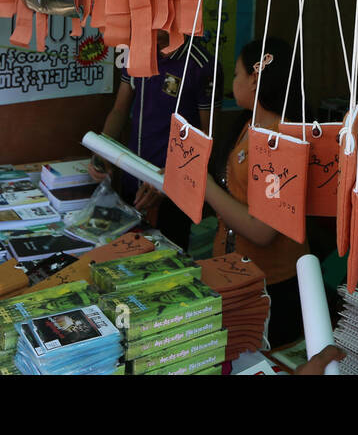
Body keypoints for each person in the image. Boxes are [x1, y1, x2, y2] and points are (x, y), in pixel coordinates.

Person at [203, 37, 311, 348]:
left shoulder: (282, 138)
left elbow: (263, 231)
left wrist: (205, 187)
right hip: (235, 271)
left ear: (254, 79)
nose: (233, 81)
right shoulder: (247, 123)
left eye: (236, 74)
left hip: (272, 284)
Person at [89, 30, 216, 251]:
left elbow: (208, 136)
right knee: (127, 257)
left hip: (174, 192)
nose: (155, 29)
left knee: (169, 265)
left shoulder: (201, 64)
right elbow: (120, 110)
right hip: (132, 183)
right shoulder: (138, 51)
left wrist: (167, 181)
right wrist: (102, 150)